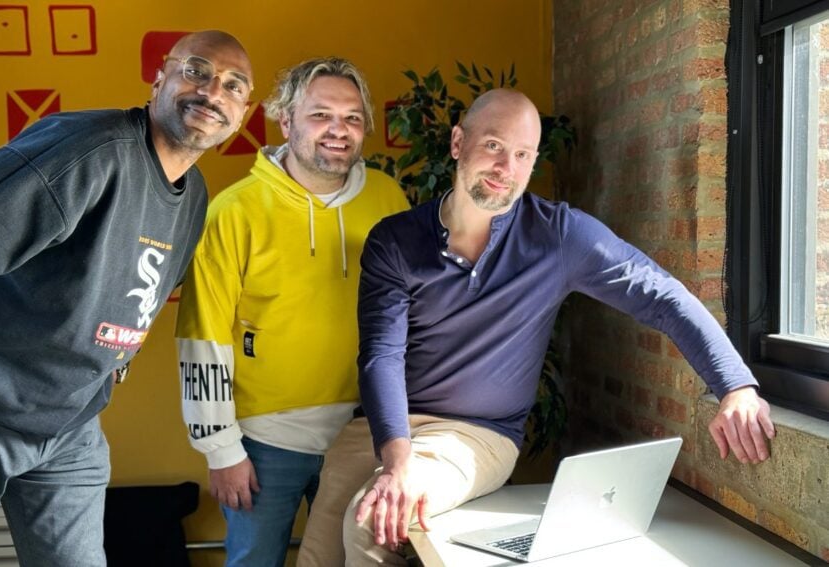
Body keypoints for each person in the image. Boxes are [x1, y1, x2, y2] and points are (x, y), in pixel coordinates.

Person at [296, 89, 777, 566]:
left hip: (476, 433)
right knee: (317, 554)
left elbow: (661, 295)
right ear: (458, 143)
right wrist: (396, 457)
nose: (507, 168)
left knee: (373, 519)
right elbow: (382, 355)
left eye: (523, 155)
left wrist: (735, 384)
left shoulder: (560, 237)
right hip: (382, 426)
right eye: (493, 146)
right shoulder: (395, 240)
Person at [0, 30, 253, 566]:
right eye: (196, 70)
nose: (212, 92)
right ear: (160, 77)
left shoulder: (193, 196)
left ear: (242, 112)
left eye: (233, 86)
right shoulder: (91, 151)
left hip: (69, 426)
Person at [175, 57, 410, 567]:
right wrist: (221, 451)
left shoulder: (389, 199)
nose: (338, 131)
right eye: (321, 115)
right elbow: (203, 335)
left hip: (363, 433)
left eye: (351, 118)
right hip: (263, 446)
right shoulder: (234, 211)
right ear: (287, 122)